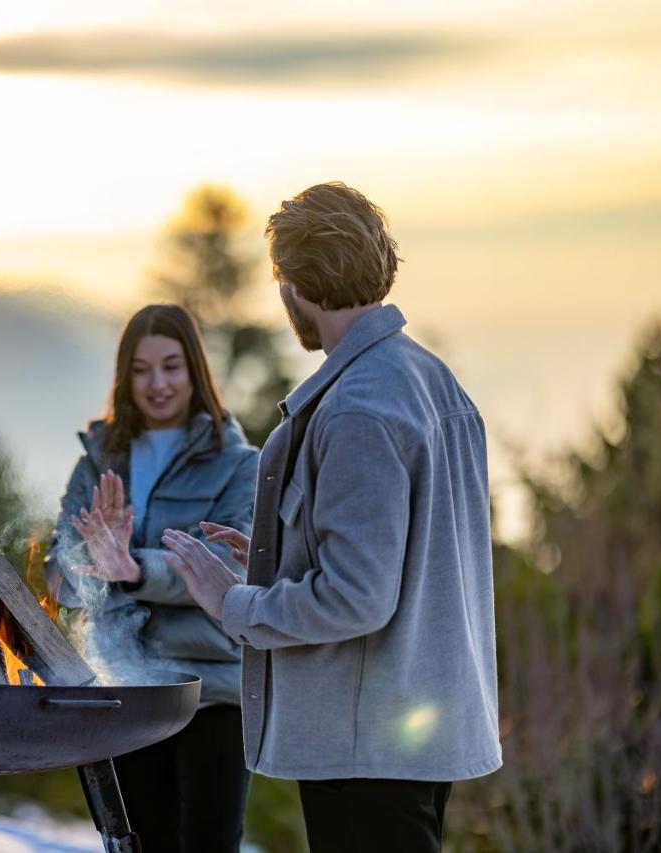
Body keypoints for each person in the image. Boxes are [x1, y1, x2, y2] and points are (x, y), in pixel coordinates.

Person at [161, 183, 502, 853]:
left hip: (369, 751)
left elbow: (356, 596)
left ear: (296, 285)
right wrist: (277, 552)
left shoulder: (356, 410)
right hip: (415, 739)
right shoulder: (431, 380)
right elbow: (407, 557)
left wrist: (234, 601)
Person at [44, 303, 260, 853]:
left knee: (210, 843)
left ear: (195, 371)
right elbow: (61, 574)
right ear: (125, 377)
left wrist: (132, 567)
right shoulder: (96, 460)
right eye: (141, 370)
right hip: (129, 692)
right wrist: (82, 568)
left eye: (171, 366)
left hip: (211, 693)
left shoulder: (239, 464)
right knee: (137, 844)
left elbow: (234, 566)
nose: (157, 383)